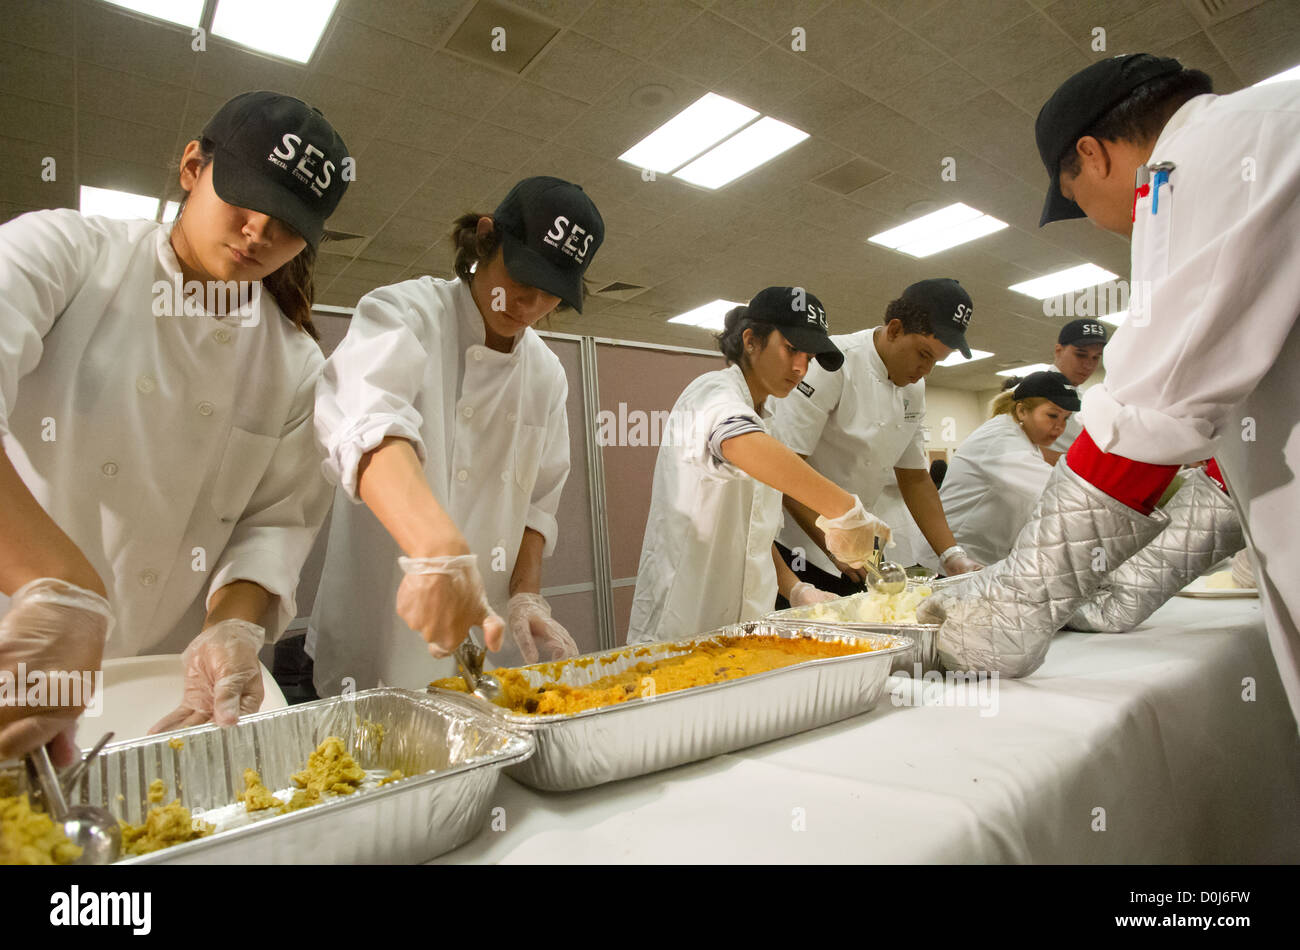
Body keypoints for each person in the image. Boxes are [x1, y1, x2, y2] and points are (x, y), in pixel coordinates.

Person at [919, 55, 1298, 727]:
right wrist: (1135, 577)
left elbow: (1153, 410)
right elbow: (1227, 430)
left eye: (1074, 200)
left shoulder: (1192, 163)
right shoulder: (1259, 133)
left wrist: (1023, 605)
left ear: (1091, 154)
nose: (1097, 222)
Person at [0, 91, 351, 759]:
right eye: (244, 200)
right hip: (16, 651)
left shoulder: (295, 363)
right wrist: (60, 587)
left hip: (161, 692)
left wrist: (233, 631)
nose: (258, 233)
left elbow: (271, 526)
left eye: (286, 224)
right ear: (194, 166)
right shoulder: (68, 253)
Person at [308, 177, 598, 695]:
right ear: (487, 238)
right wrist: (436, 550)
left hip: (484, 634)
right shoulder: (406, 314)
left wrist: (526, 596)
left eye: (549, 293)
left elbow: (537, 506)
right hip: (383, 629)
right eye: (522, 277)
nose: (529, 304)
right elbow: (366, 421)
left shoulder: (547, 373)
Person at [628, 287, 889, 645]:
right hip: (685, 618)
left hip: (747, 620)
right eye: (792, 348)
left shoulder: (768, 421)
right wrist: (845, 510)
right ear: (751, 340)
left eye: (809, 357)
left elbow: (753, 533)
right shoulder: (711, 392)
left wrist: (796, 588)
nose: (800, 368)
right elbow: (740, 441)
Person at [769, 278, 985, 599]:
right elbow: (785, 470)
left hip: (853, 545)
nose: (925, 370)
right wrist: (838, 541)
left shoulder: (914, 388)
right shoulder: (834, 363)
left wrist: (951, 555)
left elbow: (915, 479)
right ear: (895, 329)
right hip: (796, 546)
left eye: (936, 361)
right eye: (923, 354)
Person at [933, 372, 1079, 567]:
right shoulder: (1003, 440)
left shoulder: (1023, 438)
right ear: (1022, 411)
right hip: (957, 556)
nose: (1059, 427)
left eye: (1066, 419)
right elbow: (1059, 494)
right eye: (1052, 415)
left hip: (983, 554)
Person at [1049, 318, 1108, 454]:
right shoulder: (1026, 394)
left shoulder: (1087, 399)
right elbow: (1009, 448)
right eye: (1081, 355)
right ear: (1058, 350)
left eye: (1096, 357)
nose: (1088, 365)